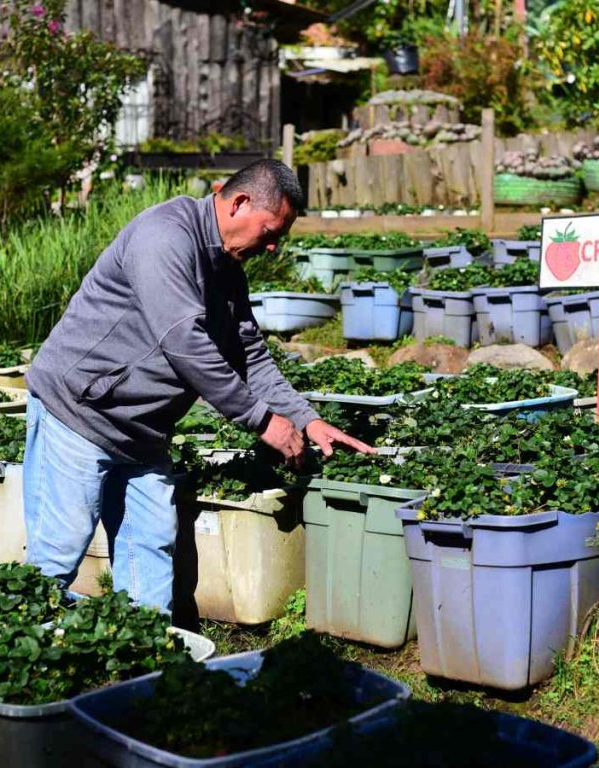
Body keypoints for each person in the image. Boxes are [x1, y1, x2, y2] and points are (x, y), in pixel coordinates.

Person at [23, 159, 372, 613]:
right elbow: (183, 344)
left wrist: (307, 420)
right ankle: (8, 669)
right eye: (270, 232)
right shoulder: (165, 237)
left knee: (149, 555)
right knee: (57, 556)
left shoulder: (228, 270)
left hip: (142, 434)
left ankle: (141, 670)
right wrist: (263, 421)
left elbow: (249, 356)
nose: (272, 248)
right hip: (78, 414)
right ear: (240, 202)